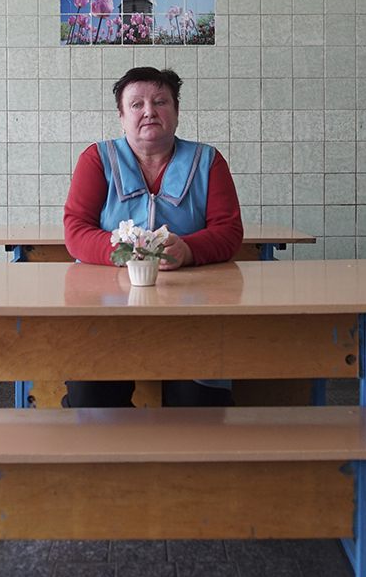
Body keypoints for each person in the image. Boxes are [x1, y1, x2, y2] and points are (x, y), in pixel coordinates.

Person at [63, 66, 244, 408]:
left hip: (191, 300)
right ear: (121, 116)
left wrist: (189, 250)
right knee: (93, 400)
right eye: (136, 104)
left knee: (199, 405)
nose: (149, 111)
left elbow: (229, 231)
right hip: (105, 300)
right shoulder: (97, 159)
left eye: (160, 102)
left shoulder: (207, 160)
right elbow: (76, 230)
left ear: (175, 113)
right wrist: (128, 250)